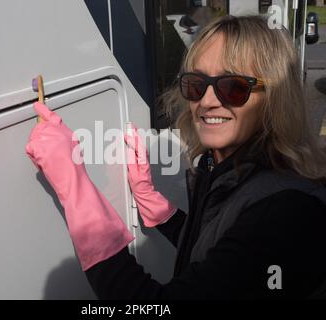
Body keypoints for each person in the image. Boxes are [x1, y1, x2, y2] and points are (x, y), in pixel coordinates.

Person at [25, 15, 326, 299]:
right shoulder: (226, 168)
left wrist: (76, 187)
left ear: (275, 98)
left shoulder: (284, 212)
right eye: (197, 84)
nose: (207, 102)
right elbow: (216, 248)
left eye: (233, 87)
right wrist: (158, 207)